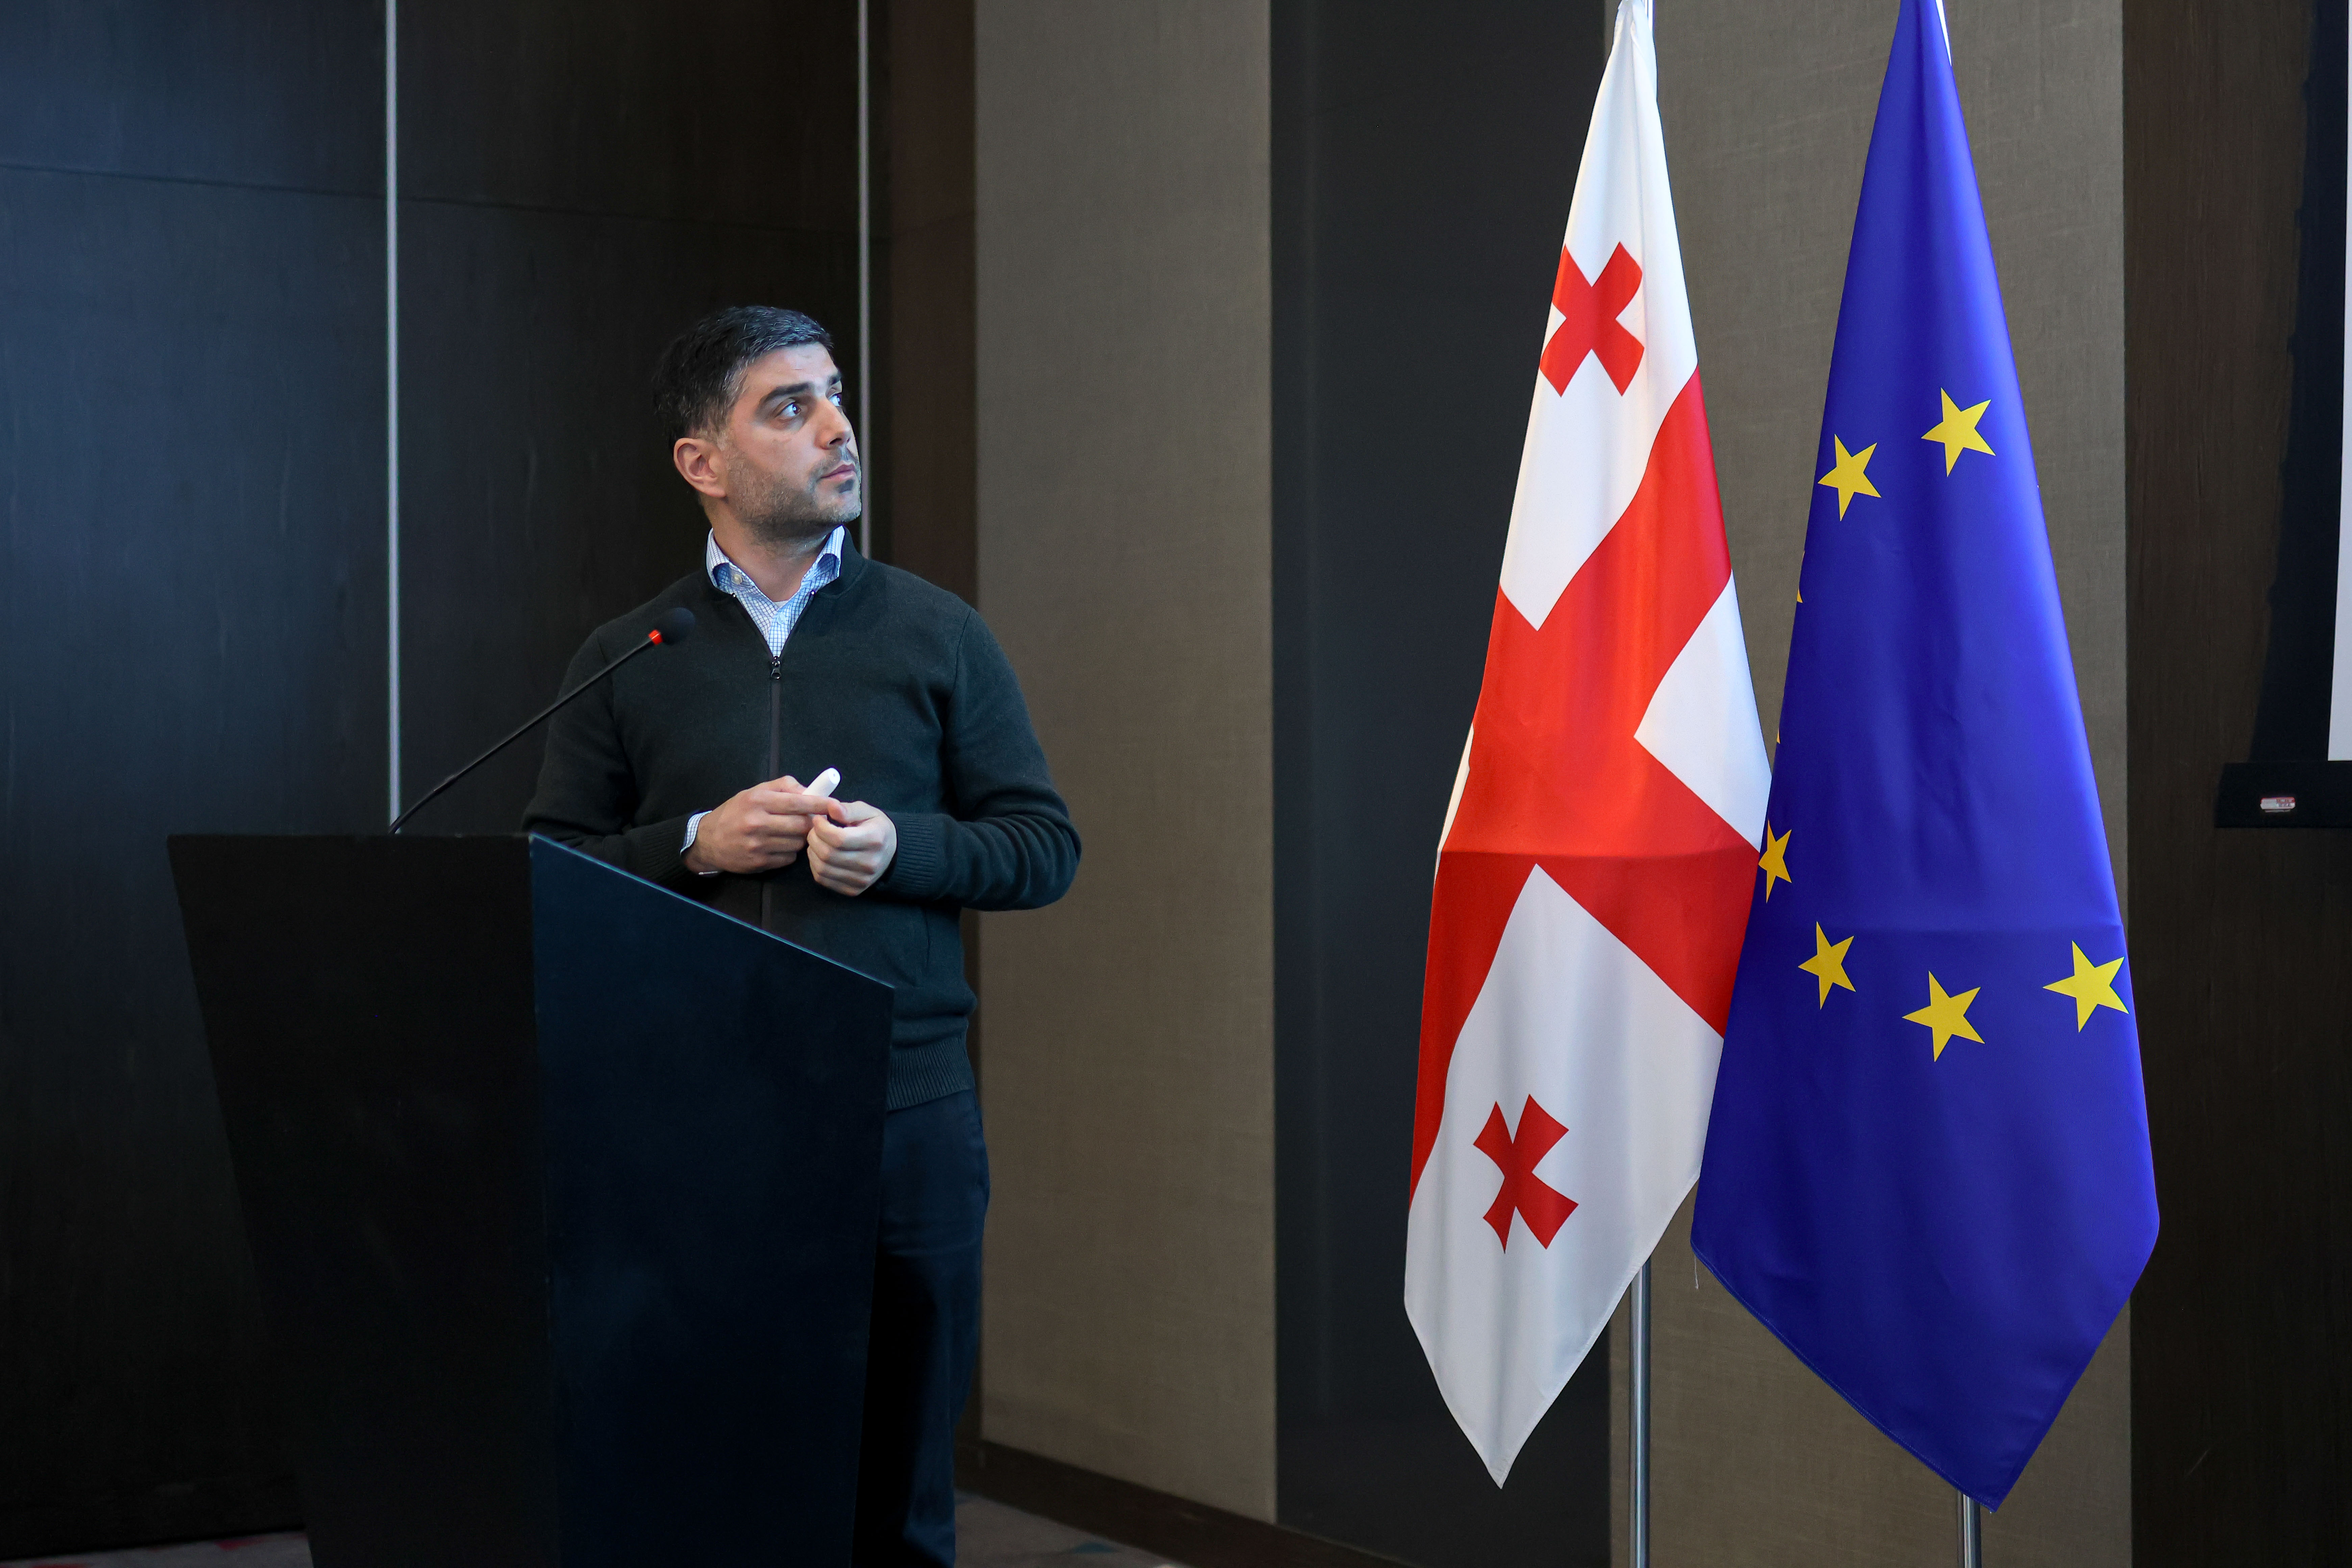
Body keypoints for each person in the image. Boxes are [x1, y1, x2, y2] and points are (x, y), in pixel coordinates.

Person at [525, 305, 1079, 1565]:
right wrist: (695, 845)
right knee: (712, 1481)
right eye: (790, 407)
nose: (838, 428)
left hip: (904, 1119)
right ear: (702, 462)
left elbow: (1043, 848)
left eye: (835, 395)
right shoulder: (631, 654)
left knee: (900, 1495)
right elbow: (546, 871)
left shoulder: (938, 633)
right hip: (691, 1124)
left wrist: (905, 850)